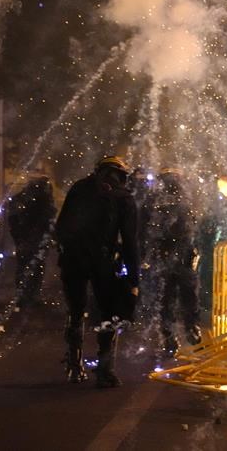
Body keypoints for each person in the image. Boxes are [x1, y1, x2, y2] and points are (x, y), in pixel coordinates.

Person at [54, 156, 139, 388]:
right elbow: (130, 242)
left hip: (73, 260)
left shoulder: (79, 188)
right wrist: (134, 279)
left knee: (76, 310)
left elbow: (60, 227)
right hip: (103, 262)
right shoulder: (123, 198)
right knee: (108, 314)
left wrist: (66, 251)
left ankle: (74, 365)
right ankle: (104, 370)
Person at [147, 168, 202, 355]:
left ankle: (172, 336)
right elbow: (193, 227)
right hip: (179, 255)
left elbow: (151, 229)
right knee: (185, 296)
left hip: (170, 256)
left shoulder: (157, 199)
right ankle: (187, 329)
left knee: (168, 297)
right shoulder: (183, 199)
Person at [5, 171, 57, 307]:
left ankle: (24, 296)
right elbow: (49, 220)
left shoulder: (24, 198)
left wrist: (18, 236)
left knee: (25, 266)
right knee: (36, 268)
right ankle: (30, 296)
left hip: (27, 238)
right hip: (35, 239)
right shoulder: (43, 201)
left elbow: (12, 217)